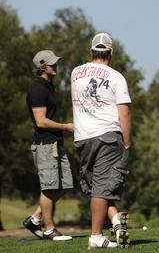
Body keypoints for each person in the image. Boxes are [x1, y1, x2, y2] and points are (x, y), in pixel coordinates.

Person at [71, 32, 132, 249]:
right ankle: (96, 235)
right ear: (111, 52)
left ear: (91, 50)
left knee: (96, 186)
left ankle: (115, 221)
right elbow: (124, 112)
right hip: (107, 136)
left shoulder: (75, 73)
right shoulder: (116, 77)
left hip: (82, 138)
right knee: (102, 187)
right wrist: (127, 143)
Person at [22, 50, 74, 241]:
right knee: (49, 187)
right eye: (52, 63)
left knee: (65, 184)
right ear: (43, 67)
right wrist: (66, 127)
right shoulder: (37, 90)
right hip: (45, 145)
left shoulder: (48, 87)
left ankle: (35, 218)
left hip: (55, 143)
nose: (56, 66)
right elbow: (41, 121)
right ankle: (49, 228)